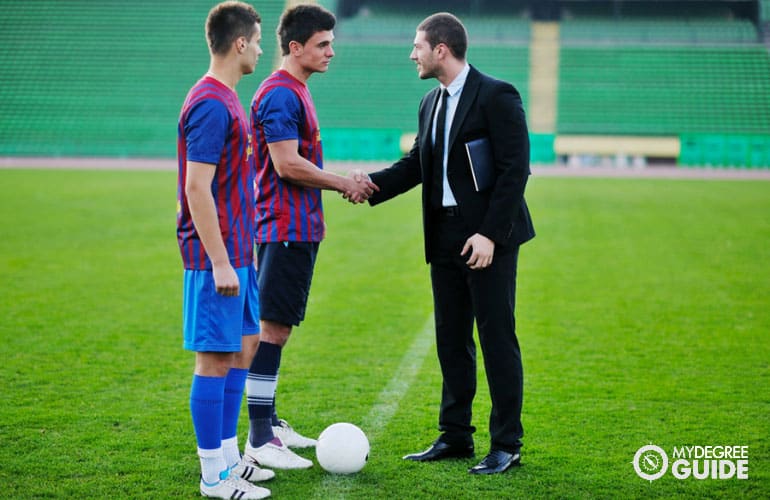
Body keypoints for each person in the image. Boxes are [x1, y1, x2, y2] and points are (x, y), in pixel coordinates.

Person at [359, 12, 535, 475]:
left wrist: (491, 235)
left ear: (441, 49)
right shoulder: (429, 103)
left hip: (488, 238)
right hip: (445, 235)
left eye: (417, 46)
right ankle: (456, 435)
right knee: (451, 339)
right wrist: (364, 185)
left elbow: (516, 170)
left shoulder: (497, 95)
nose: (411, 54)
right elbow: (416, 164)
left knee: (496, 338)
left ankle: (507, 445)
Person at [242, 3, 377, 471]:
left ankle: (270, 422)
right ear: (295, 47)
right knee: (272, 328)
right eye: (323, 44)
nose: (331, 52)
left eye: (331, 43)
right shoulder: (280, 93)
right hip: (284, 228)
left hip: (295, 228)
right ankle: (260, 437)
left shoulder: (296, 88)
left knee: (278, 326)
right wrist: (344, 182)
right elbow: (285, 163)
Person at [176, 2, 273, 498]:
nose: (260, 48)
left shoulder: (231, 98)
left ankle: (231, 458)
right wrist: (218, 260)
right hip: (216, 256)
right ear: (239, 43)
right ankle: (212, 474)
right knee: (214, 359)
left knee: (245, 346)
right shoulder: (212, 103)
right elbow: (197, 188)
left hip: (239, 250)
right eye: (257, 40)